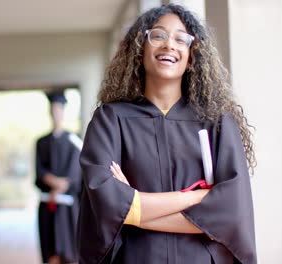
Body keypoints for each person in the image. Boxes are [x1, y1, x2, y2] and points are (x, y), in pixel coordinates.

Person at [77, 4, 256, 264]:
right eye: (158, 35)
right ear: (140, 51)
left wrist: (136, 207)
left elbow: (230, 211)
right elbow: (106, 203)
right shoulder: (112, 120)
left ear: (192, 57)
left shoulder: (216, 122)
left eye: (181, 39)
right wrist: (199, 196)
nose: (169, 44)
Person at [35, 91, 82, 264]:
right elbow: (39, 171)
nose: (56, 113)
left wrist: (62, 185)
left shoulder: (74, 140)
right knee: (51, 251)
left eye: (59, 109)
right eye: (53, 109)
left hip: (69, 206)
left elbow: (76, 171)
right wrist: (54, 184)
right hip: (49, 203)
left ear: (63, 112)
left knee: (70, 252)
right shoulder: (41, 142)